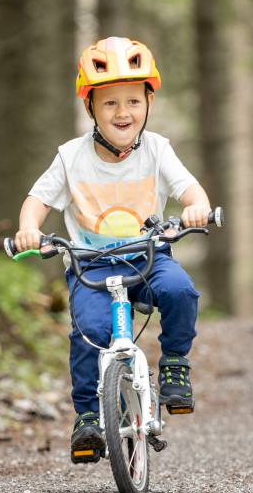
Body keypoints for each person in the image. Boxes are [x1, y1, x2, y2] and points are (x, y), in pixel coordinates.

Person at [13, 36, 212, 463]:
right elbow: (38, 200)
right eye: (109, 104)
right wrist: (29, 229)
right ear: (91, 108)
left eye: (132, 102)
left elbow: (188, 188)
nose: (123, 113)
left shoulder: (157, 150)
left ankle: (175, 362)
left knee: (180, 292)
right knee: (89, 334)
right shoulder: (71, 157)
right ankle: (87, 415)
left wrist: (196, 207)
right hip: (91, 266)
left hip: (148, 256)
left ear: (148, 103)